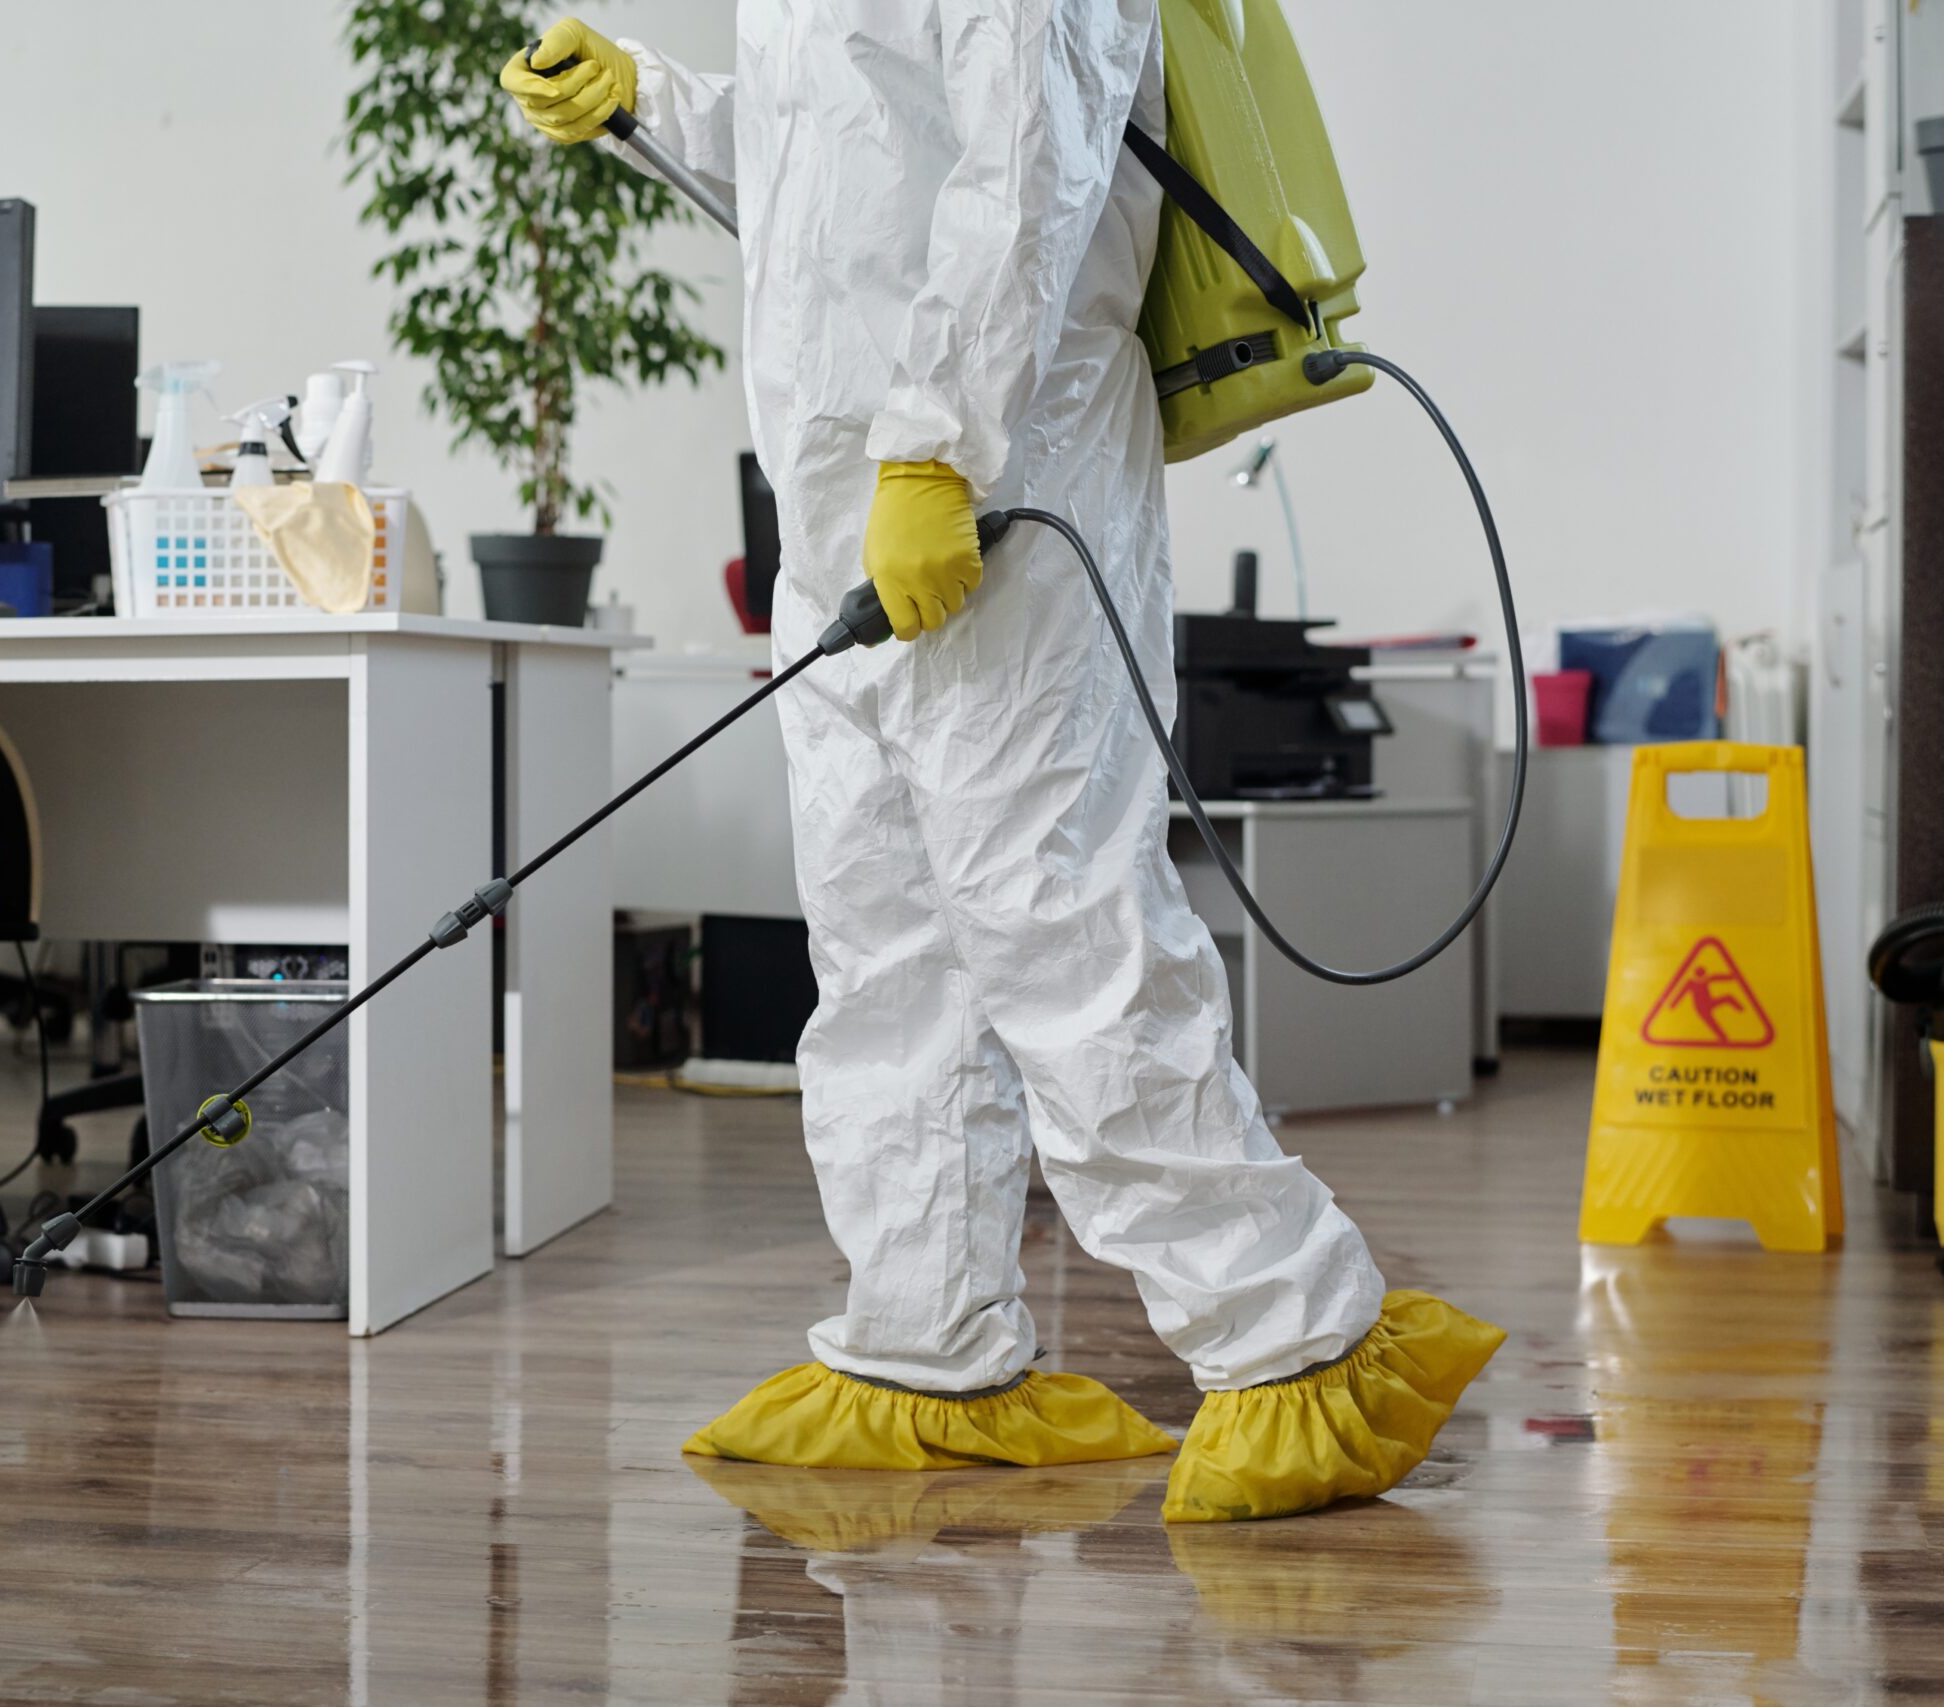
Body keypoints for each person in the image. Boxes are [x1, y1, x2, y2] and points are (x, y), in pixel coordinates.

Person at [501, 4, 1502, 1522]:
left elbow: (1030, 157)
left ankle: (1299, 1337)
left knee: (1064, 939)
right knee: (882, 951)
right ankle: (924, 1344)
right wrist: (657, 106)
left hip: (1003, 489)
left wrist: (939, 449)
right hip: (839, 500)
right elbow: (840, 171)